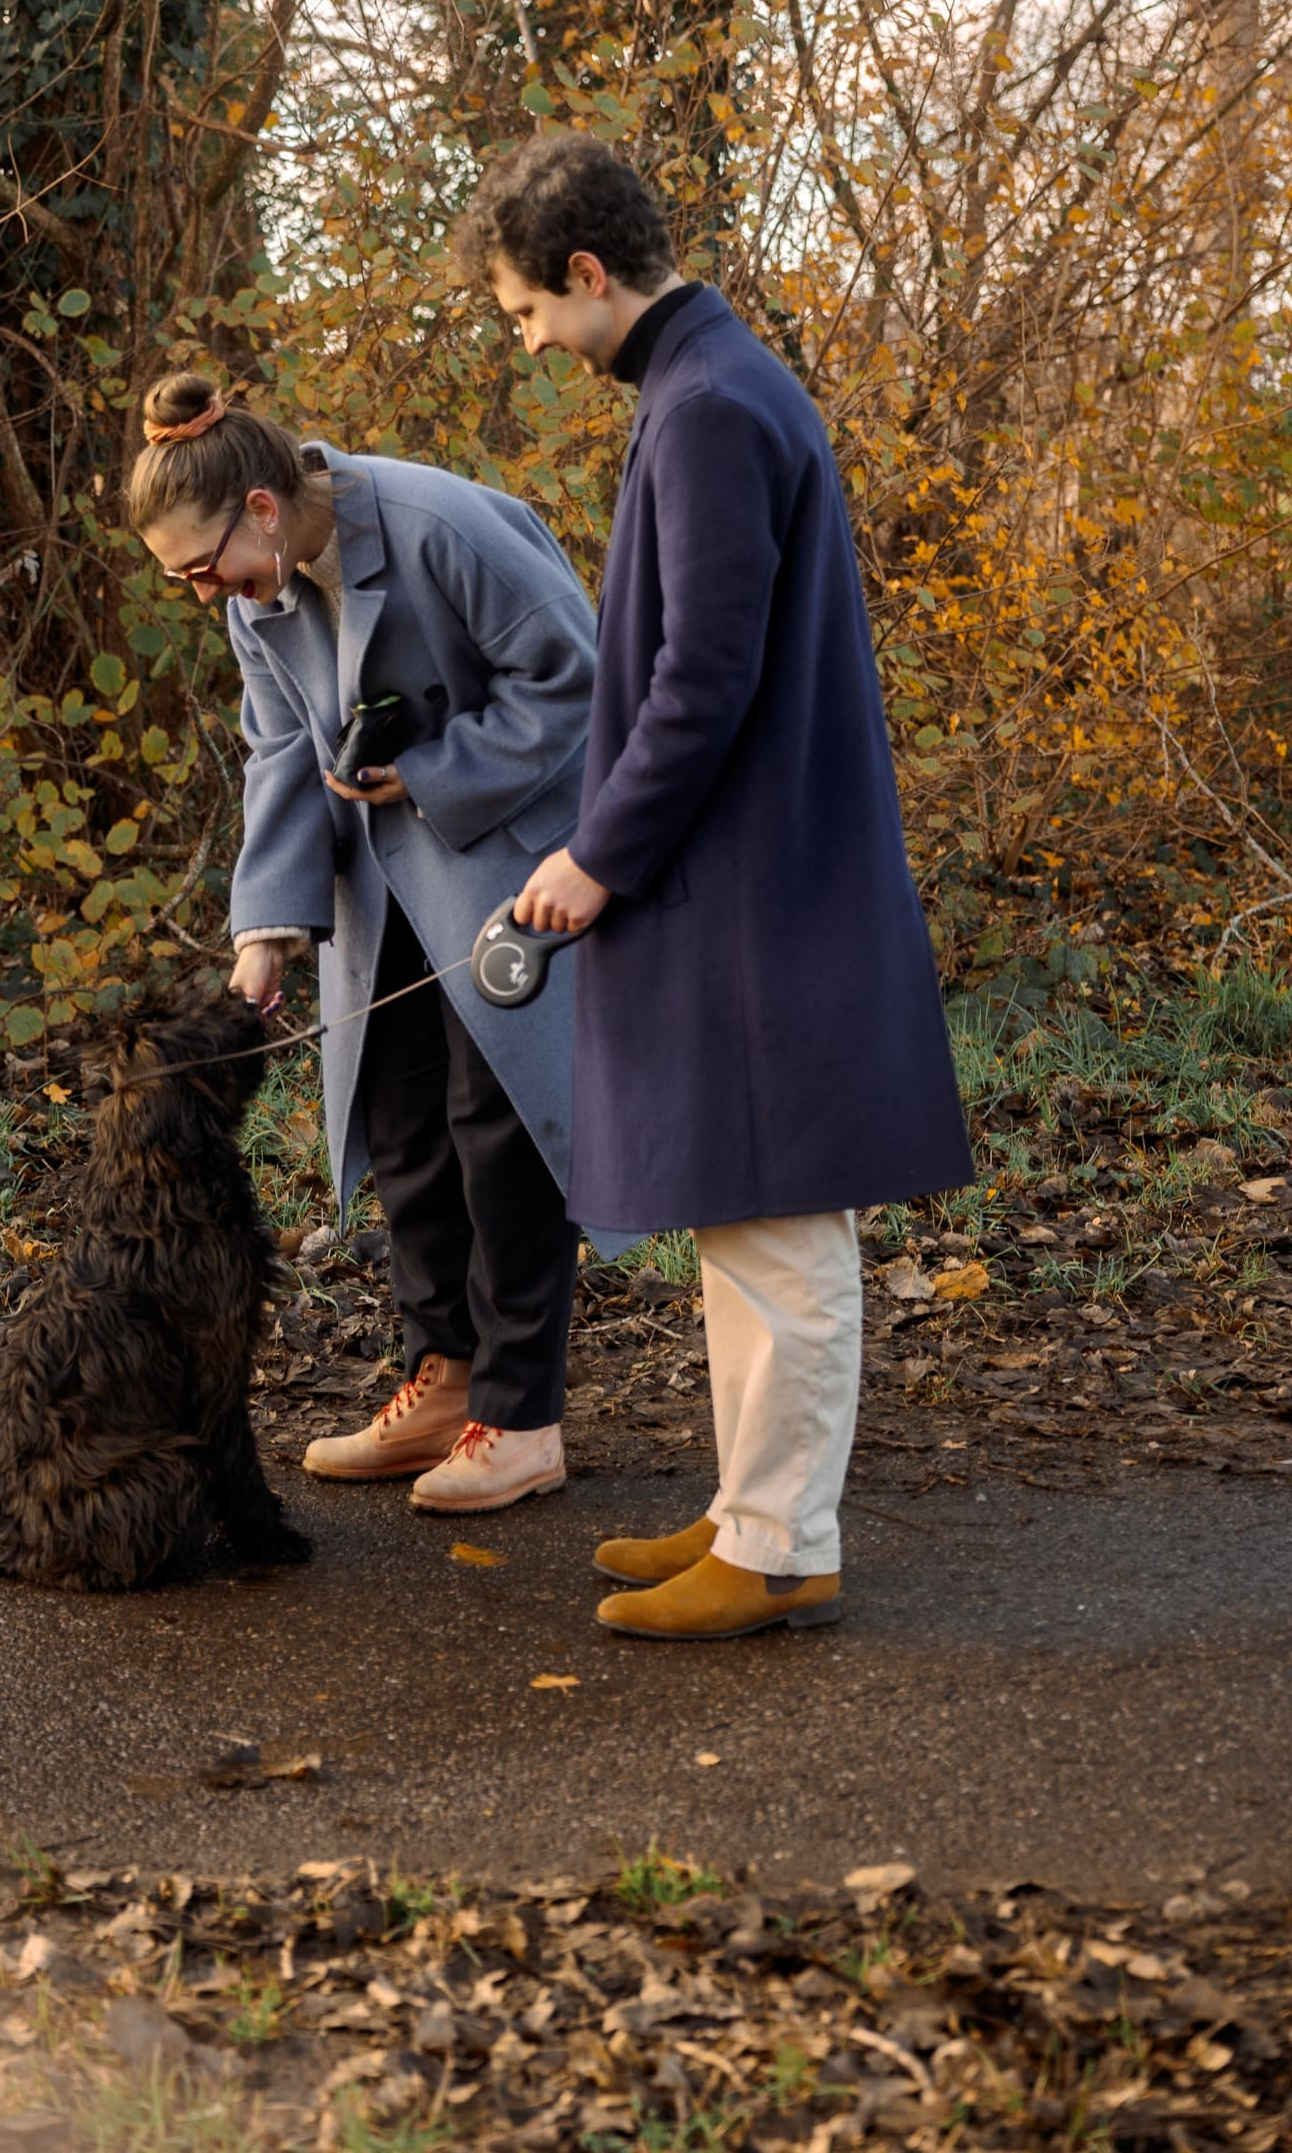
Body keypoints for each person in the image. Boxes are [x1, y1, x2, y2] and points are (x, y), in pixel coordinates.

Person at [452, 131, 973, 1637]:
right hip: (755, 878)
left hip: (761, 889)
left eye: (526, 311)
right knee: (745, 1221)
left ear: (589, 274)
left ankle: (785, 1544)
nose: (533, 340)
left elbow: (703, 683)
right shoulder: (711, 382)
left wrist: (593, 856)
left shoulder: (705, 409)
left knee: (784, 1228)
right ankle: (756, 1512)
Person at [127, 369, 626, 1513]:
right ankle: (441, 1382)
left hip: (505, 864)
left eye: (204, 566)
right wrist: (264, 928)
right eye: (179, 581)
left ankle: (519, 1417)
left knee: (495, 1131)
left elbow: (579, 678)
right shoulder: (256, 595)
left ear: (261, 508)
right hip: (374, 888)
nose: (206, 595)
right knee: (402, 1129)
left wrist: (439, 772)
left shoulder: (438, 526)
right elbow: (278, 752)